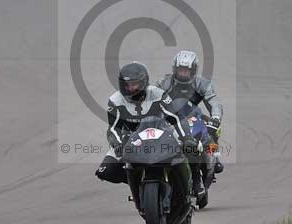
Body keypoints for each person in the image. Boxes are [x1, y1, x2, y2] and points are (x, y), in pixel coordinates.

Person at [95, 62, 201, 195]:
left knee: (192, 147)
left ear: (143, 83)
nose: (131, 88)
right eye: (127, 85)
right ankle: (139, 181)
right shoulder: (115, 100)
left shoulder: (158, 94)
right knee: (105, 171)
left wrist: (187, 138)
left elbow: (176, 117)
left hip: (162, 133)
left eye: (135, 84)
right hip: (131, 139)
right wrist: (118, 144)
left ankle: (197, 182)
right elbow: (113, 128)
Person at [158, 50, 225, 184]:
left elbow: (214, 102)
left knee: (212, 132)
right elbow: (152, 100)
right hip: (171, 119)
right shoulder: (164, 83)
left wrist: (216, 118)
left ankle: (213, 158)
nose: (183, 73)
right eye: (180, 70)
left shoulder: (202, 84)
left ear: (193, 70)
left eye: (186, 70)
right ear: (175, 69)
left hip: (194, 118)